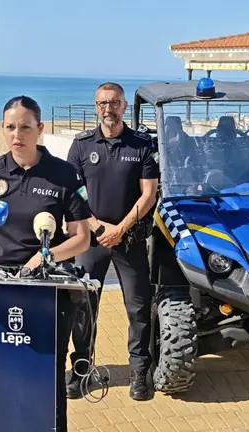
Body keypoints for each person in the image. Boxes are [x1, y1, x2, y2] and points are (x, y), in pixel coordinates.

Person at [0, 95, 91, 431]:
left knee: (46, 371)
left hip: (48, 292)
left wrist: (44, 256)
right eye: (9, 127)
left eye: (24, 127)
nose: (16, 134)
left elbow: (81, 238)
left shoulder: (64, 174)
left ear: (40, 128)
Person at [66, 82, 160, 401]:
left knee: (138, 308)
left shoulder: (141, 145)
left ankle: (139, 373)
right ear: (96, 107)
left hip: (130, 240)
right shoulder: (81, 146)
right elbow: (74, 192)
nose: (109, 108)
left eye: (115, 103)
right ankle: (82, 370)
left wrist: (120, 228)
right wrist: (98, 226)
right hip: (91, 241)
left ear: (124, 107)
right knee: (83, 307)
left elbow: (149, 194)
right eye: (103, 103)